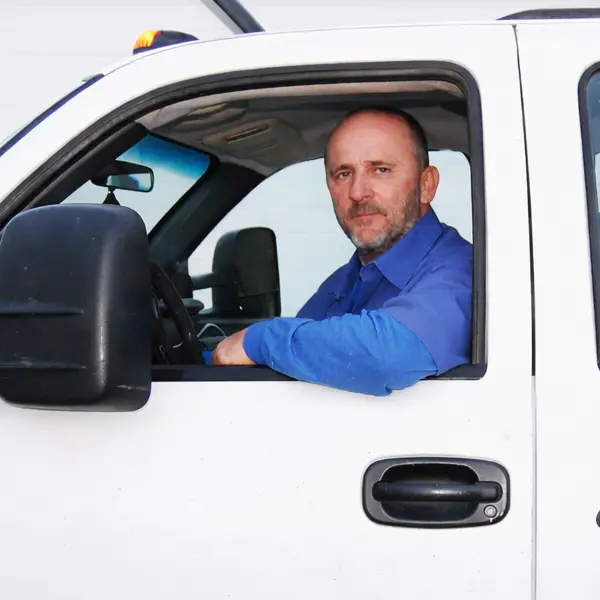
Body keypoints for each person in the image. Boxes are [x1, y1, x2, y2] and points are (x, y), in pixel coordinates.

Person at [211, 106, 473, 396]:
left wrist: (259, 339)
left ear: (427, 185)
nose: (358, 192)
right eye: (343, 174)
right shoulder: (346, 280)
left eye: (381, 170)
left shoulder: (462, 271)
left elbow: (389, 356)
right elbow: (290, 363)